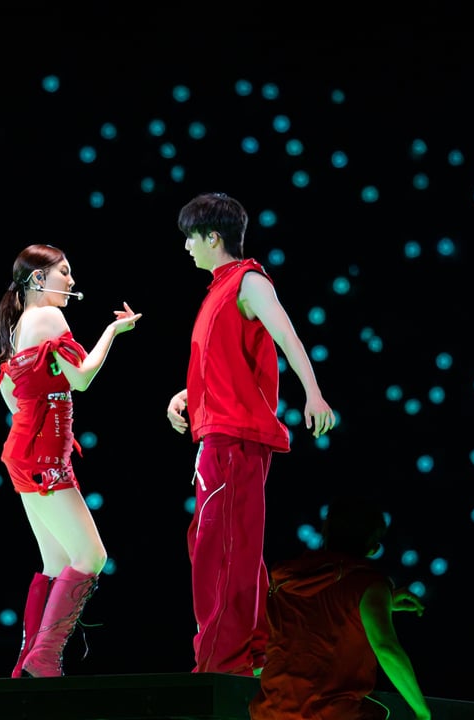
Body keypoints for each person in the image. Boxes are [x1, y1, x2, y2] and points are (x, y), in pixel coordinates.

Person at [165, 191, 336, 676]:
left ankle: (223, 664)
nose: (186, 247)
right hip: (218, 436)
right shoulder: (218, 291)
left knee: (223, 549)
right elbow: (224, 364)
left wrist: (313, 393)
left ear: (212, 237)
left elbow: (287, 335)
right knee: (219, 544)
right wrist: (187, 394)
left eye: (191, 238)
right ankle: (249, 653)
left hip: (234, 440)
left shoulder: (248, 281)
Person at [0, 243, 142, 678]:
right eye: (65, 272)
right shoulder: (50, 316)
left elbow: (9, 392)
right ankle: (44, 657)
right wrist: (114, 331)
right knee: (92, 557)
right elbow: (82, 378)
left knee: (55, 564)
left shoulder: (20, 324)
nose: (72, 281)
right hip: (45, 456)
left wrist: (34, 419)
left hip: (24, 453)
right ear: (39, 278)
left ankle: (26, 662)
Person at [249, 496, 431, 719]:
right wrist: (422, 712)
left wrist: (380, 602)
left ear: (325, 533)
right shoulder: (368, 584)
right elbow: (386, 649)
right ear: (373, 548)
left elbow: (316, 615)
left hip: (269, 712)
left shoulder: (284, 580)